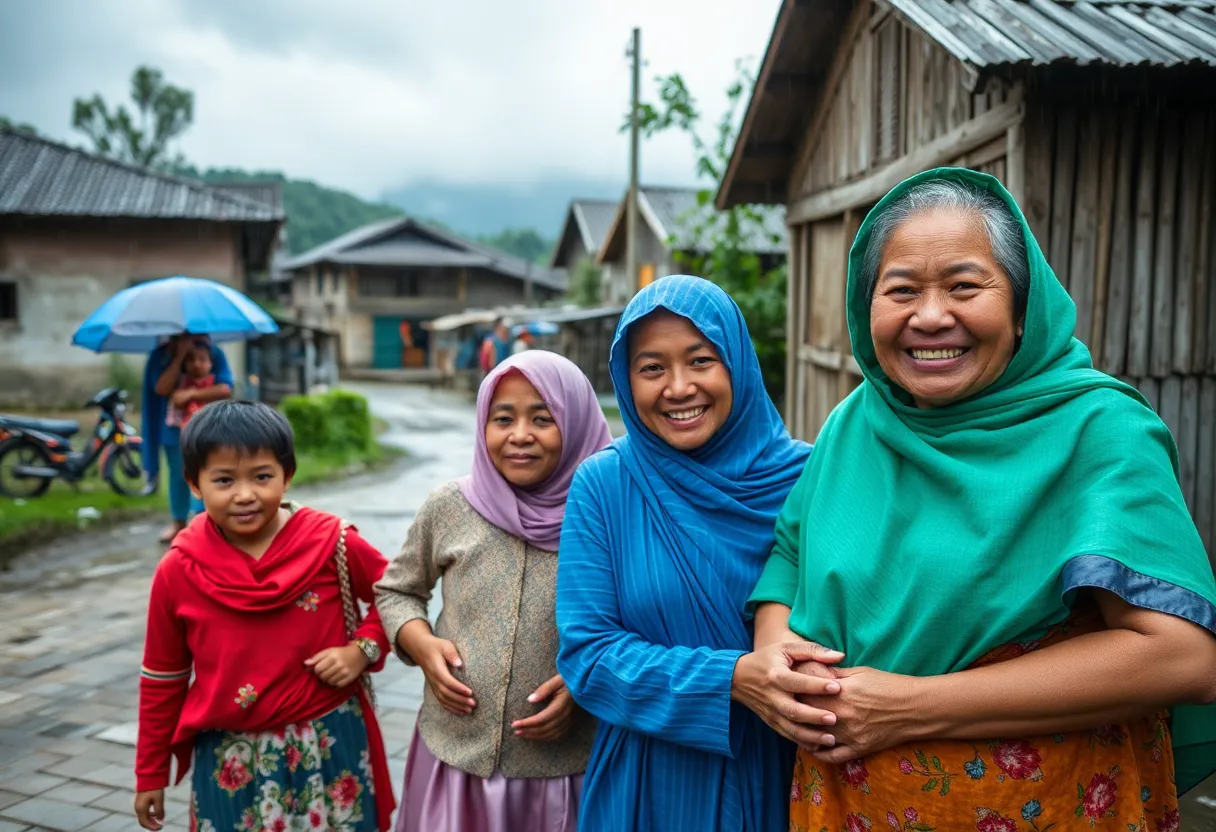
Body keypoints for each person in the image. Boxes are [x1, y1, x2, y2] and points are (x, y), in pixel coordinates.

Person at [749, 168, 1216, 831]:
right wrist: (774, 656)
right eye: (901, 290)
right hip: (850, 804)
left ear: (1024, 309)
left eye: (965, 287)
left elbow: (1178, 654)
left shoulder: (1097, 430)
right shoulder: (856, 423)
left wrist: (912, 706)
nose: (931, 315)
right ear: (867, 308)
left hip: (1043, 805)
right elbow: (790, 557)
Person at [556, 275, 840, 831]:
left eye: (701, 360)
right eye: (652, 368)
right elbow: (587, 656)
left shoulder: (810, 477)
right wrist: (732, 678)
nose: (678, 387)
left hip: (782, 769)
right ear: (625, 379)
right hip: (646, 782)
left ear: (737, 362)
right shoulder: (605, 484)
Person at [376, 350, 612, 832]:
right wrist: (421, 645)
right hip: (455, 757)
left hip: (565, 767)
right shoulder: (450, 506)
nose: (519, 435)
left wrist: (585, 685)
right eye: (502, 418)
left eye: (543, 418)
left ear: (578, 422)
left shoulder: (606, 516)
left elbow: (635, 619)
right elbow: (396, 591)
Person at [133, 401, 396, 832]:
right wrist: (150, 773)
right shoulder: (179, 569)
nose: (245, 494)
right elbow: (163, 677)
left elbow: (396, 593)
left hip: (329, 742)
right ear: (193, 484)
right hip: (228, 757)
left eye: (262, 476)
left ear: (287, 475)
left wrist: (362, 649)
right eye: (223, 480)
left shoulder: (331, 542)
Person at [141, 334, 233, 543]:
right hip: (173, 430)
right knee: (178, 475)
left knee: (208, 474)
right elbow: (161, 388)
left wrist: (190, 394)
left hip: (209, 429)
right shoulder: (160, 356)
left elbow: (226, 387)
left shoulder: (213, 351)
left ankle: (206, 522)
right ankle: (179, 524)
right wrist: (179, 356)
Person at [164, 342, 214, 429]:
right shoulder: (182, 382)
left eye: (202, 359)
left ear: (211, 363)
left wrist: (190, 394)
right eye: (191, 359)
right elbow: (177, 400)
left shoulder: (215, 383)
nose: (196, 364)